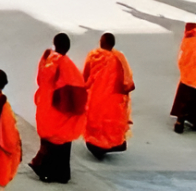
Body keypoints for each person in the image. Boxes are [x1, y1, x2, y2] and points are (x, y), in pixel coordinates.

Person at [30, 33, 86, 182]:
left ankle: (44, 168)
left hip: (45, 104)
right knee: (61, 142)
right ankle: (58, 173)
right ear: (67, 48)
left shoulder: (47, 59)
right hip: (59, 109)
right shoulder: (65, 64)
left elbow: (40, 80)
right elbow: (75, 88)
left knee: (48, 139)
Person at [82, 33, 133, 161]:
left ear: (101, 42)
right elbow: (127, 81)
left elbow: (86, 76)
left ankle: (96, 145)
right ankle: (107, 145)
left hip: (95, 96)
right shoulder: (119, 58)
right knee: (109, 124)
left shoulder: (94, 56)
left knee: (96, 122)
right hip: (113, 99)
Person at [173, 22, 196, 133]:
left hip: (187, 77)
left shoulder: (187, 41)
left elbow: (181, 58)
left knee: (183, 100)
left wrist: (183, 70)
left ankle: (180, 122)